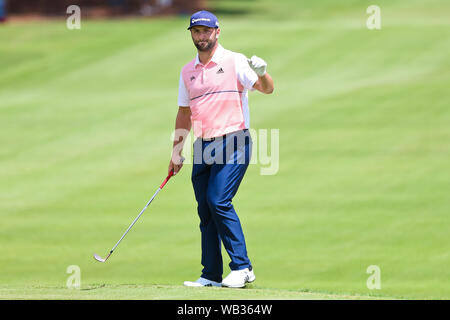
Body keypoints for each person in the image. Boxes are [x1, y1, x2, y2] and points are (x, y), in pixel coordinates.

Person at [169, 10, 274, 288]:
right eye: (196, 31)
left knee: (218, 200)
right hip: (203, 145)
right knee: (205, 210)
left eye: (206, 31)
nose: (201, 36)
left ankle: (243, 267)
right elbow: (183, 113)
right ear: (191, 34)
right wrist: (176, 150)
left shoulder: (235, 61)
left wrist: (263, 74)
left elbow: (267, 89)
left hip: (234, 140)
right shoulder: (187, 72)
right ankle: (211, 275)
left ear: (217, 32)